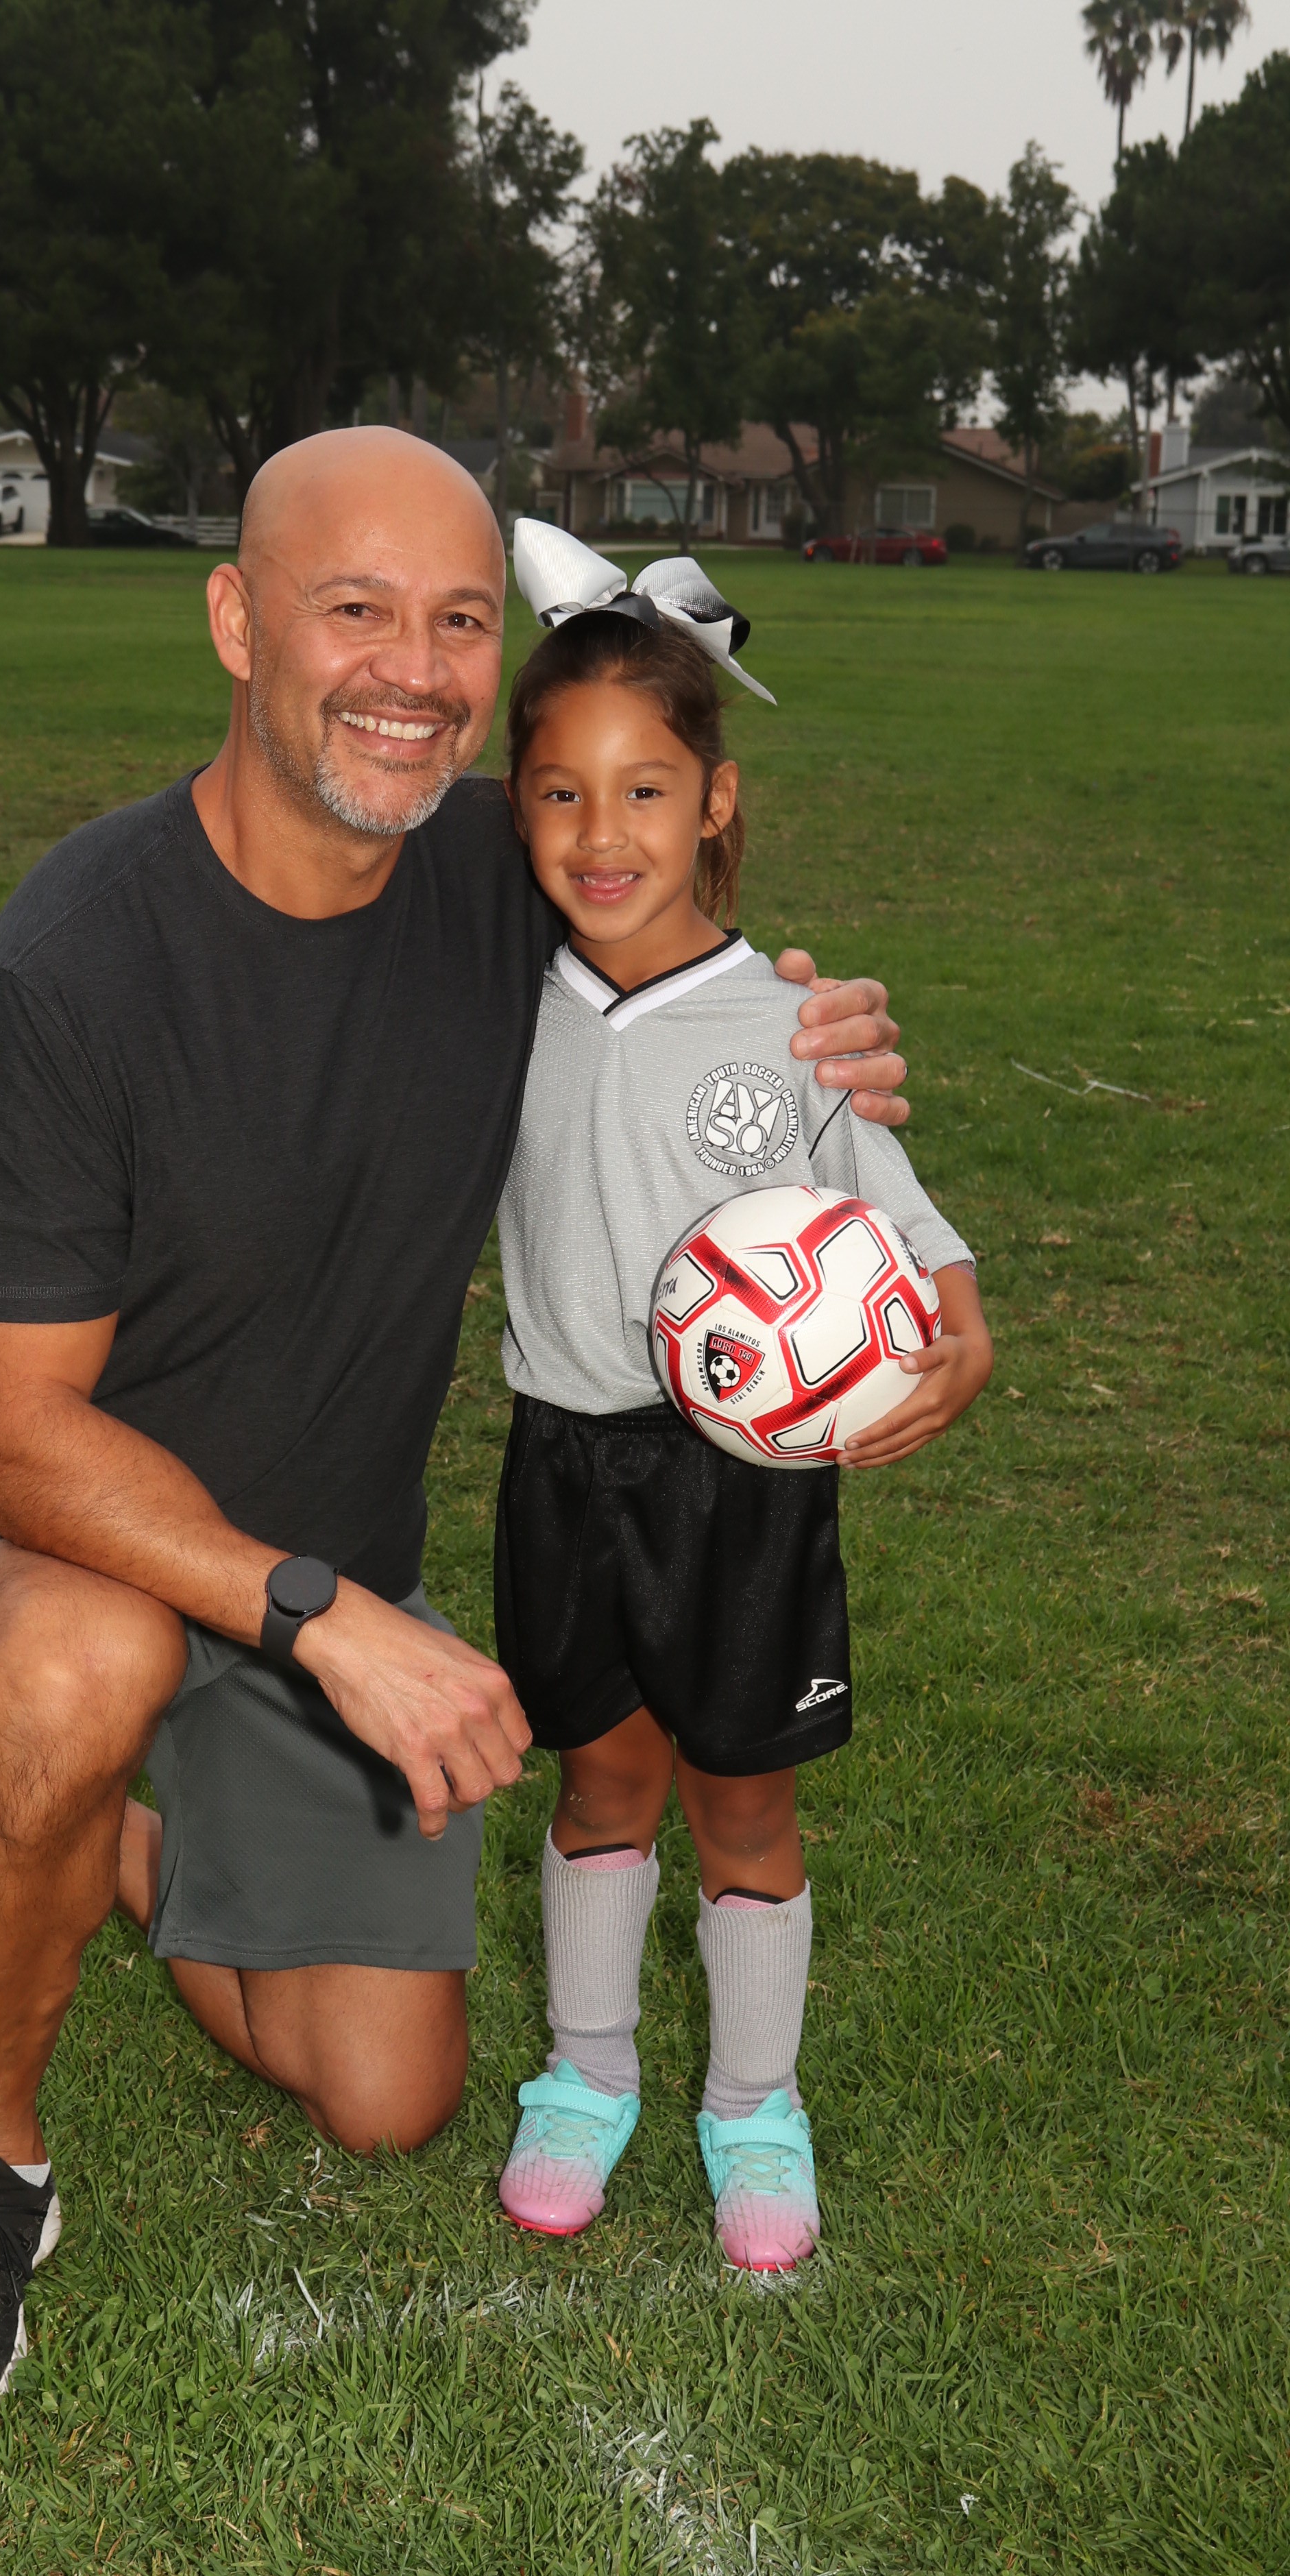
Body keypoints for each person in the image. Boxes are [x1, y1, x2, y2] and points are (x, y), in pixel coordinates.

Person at [0, 430, 910, 2414]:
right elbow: (4, 1436)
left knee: (385, 2095)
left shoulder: (502, 876)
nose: (413, 675)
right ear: (236, 621)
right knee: (83, 1662)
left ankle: (20, 1812)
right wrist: (329, 1618)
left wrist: (813, 1032)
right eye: (355, 612)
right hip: (62, 1535)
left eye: (457, 623)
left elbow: (673, 923)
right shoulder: (72, 969)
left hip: (319, 1573)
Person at [489, 529, 992, 2271]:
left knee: (744, 1802)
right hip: (562, 1458)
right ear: (514, 808)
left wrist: (960, 1331)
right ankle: (586, 2073)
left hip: (745, 1483)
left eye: (643, 790)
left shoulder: (787, 1028)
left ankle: (753, 2105)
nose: (599, 834)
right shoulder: (499, 1002)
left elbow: (903, 1230)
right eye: (557, 792)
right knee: (597, 1783)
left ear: (714, 800)